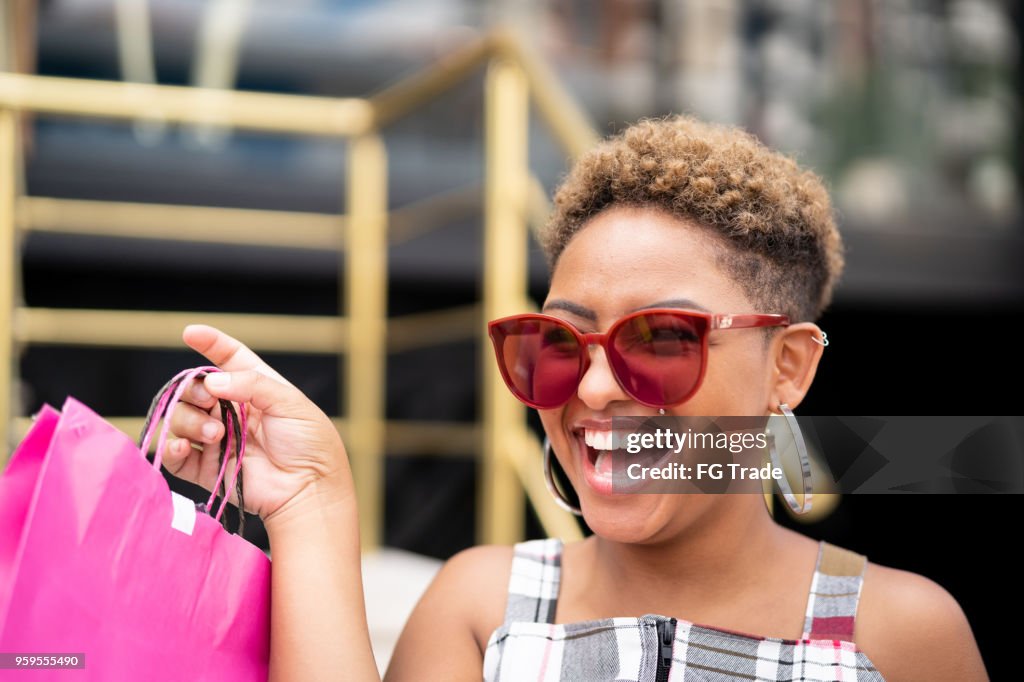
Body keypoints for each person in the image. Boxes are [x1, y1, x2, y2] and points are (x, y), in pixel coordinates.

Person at [165, 115, 988, 681]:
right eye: (557, 344)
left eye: (663, 339)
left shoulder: (903, 633)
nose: (593, 389)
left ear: (789, 369)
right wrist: (310, 505)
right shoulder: (482, 604)